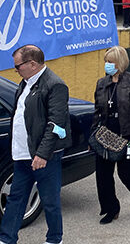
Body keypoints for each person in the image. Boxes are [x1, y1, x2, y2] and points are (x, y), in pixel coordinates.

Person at [0, 45, 71, 244]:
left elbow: (56, 124)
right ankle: (7, 238)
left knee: (49, 201)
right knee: (16, 198)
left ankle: (54, 239)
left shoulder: (54, 84)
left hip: (43, 157)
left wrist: (42, 154)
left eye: (18, 66)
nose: (16, 70)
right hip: (22, 155)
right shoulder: (25, 83)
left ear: (32, 64)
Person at [92, 46, 130, 224]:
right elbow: (97, 111)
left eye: (110, 62)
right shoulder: (102, 83)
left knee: (127, 173)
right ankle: (111, 208)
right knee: (103, 174)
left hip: (127, 134)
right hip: (105, 134)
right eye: (106, 61)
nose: (107, 65)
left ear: (120, 63)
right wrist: (92, 136)